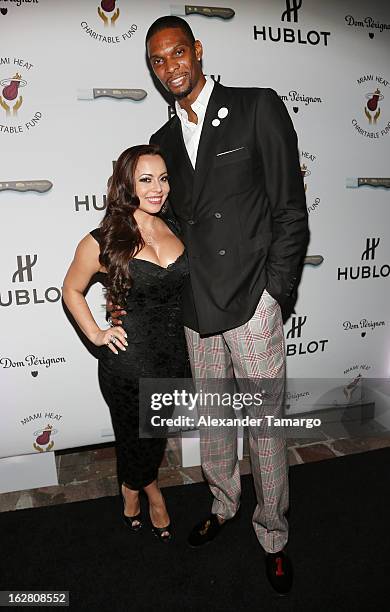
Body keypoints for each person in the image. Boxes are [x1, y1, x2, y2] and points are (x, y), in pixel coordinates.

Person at [113, 16, 309, 593]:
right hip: (197, 310)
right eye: (157, 61)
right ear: (152, 71)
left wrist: (275, 292)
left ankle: (272, 532)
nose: (170, 66)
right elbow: (158, 228)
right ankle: (224, 505)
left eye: (177, 53)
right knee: (218, 427)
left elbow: (290, 209)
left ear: (197, 51)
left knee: (264, 427)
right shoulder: (164, 143)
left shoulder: (257, 107)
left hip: (252, 302)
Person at [63, 144, 189, 543]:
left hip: (175, 358)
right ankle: (146, 493)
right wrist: (98, 333)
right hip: (127, 363)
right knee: (134, 438)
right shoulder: (103, 240)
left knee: (154, 437)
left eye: (164, 178)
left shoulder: (180, 227)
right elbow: (71, 289)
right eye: (146, 180)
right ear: (126, 185)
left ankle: (135, 487)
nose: (158, 189)